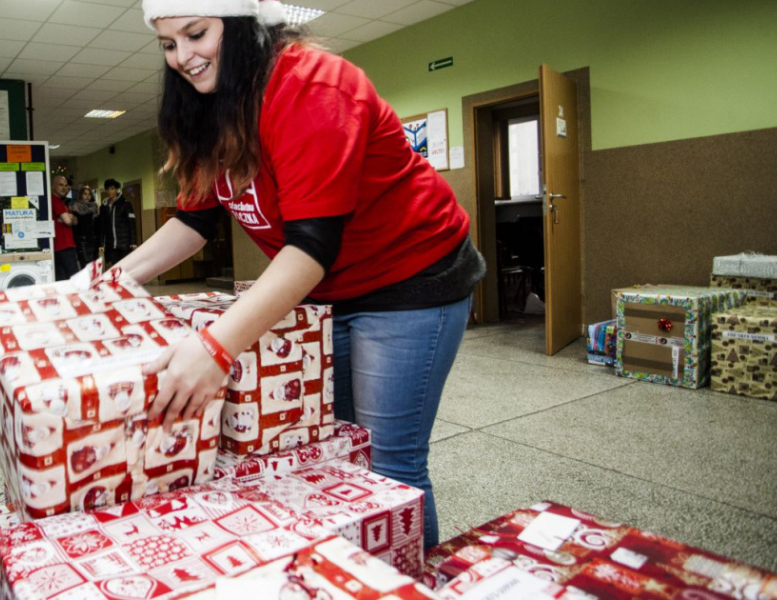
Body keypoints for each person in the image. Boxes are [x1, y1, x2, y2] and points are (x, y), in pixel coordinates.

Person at [110, 0, 486, 550]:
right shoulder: (211, 107)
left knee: (387, 463)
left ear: (240, 28)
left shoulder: (312, 86)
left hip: (411, 277)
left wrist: (215, 350)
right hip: (328, 289)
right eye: (168, 44)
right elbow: (194, 220)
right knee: (338, 452)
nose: (183, 57)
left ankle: (410, 580)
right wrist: (110, 281)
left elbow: (311, 246)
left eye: (195, 34)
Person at [101, 178, 136, 267]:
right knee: (115, 268)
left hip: (124, 243)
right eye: (108, 189)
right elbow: (102, 227)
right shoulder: (103, 207)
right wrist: (102, 243)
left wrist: (133, 242)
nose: (110, 191)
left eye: (112, 189)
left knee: (125, 267)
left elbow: (131, 224)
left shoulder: (126, 204)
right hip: (111, 245)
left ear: (117, 189)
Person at [50, 174, 78, 280]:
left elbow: (75, 221)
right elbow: (68, 221)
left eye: (65, 185)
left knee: (62, 278)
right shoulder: (55, 201)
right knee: (73, 278)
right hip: (63, 246)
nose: (64, 188)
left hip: (61, 246)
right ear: (54, 186)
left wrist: (70, 217)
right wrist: (69, 218)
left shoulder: (62, 202)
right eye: (60, 185)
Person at [70, 185, 101, 268]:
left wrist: (100, 243)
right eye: (85, 194)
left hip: (94, 242)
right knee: (86, 268)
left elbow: (98, 227)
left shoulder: (94, 208)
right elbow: (74, 230)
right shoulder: (76, 209)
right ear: (81, 195)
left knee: (94, 268)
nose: (87, 196)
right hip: (82, 242)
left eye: (89, 194)